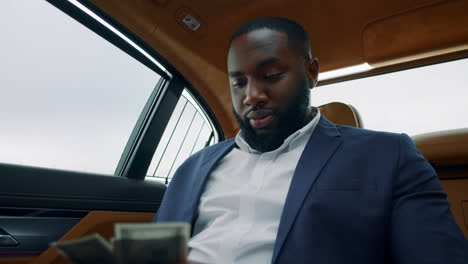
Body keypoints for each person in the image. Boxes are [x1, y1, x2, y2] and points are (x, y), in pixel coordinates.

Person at [154, 17, 467, 263]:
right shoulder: (193, 166)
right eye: (238, 82)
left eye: (272, 75)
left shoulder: (388, 155)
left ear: (311, 72)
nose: (251, 96)